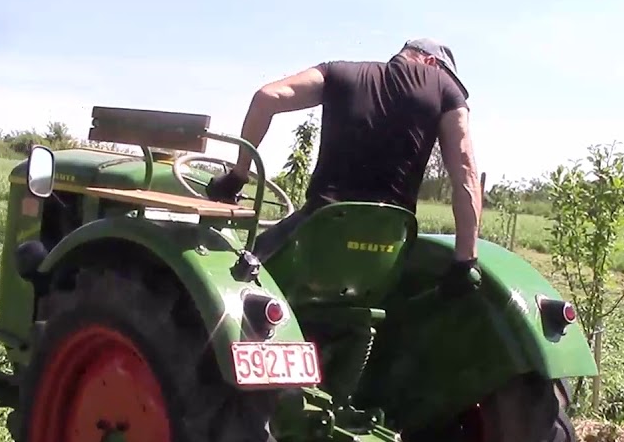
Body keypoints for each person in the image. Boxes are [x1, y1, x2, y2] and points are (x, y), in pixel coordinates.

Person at [206, 37, 484, 295]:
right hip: (390, 249)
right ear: (431, 62)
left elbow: (267, 97)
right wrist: (465, 262)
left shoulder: (339, 73)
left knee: (236, 271)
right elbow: (465, 170)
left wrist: (238, 176)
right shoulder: (444, 90)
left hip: (320, 234)